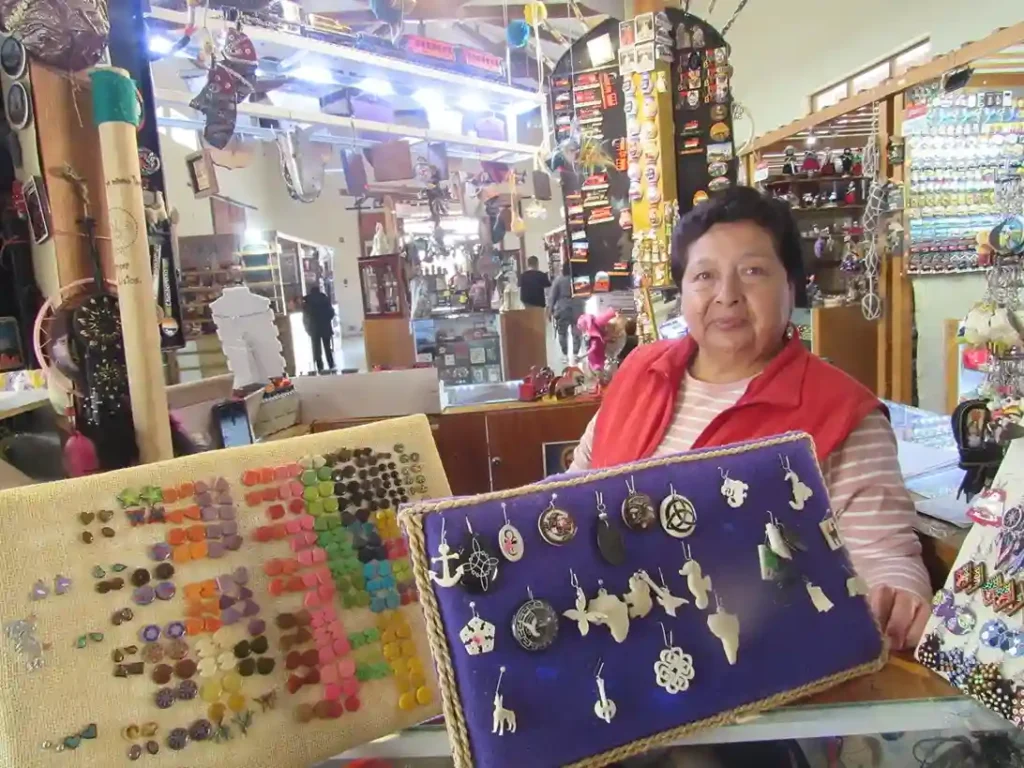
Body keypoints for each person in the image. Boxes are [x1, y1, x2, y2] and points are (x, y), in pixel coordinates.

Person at [571, 187, 930, 651]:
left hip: (752, 666)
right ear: (682, 292)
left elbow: (884, 556)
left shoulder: (840, 412)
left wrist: (895, 599)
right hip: (617, 649)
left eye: (753, 272)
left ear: (791, 288)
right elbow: (576, 483)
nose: (727, 295)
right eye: (704, 276)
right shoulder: (641, 370)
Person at [547, 260, 583, 363]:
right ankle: (576, 354)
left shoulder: (558, 280)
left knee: (562, 332)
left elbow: (552, 296)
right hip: (577, 307)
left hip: (562, 308)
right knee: (576, 331)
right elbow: (585, 293)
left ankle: (565, 354)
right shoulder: (578, 279)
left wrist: (550, 310)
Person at [302, 284, 336, 373]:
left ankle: (319, 366)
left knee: (316, 349)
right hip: (325, 327)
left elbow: (305, 317)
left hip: (314, 328)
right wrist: (327, 320)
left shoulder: (307, 302)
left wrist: (308, 329)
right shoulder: (325, 299)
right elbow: (331, 313)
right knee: (327, 347)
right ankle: (331, 364)